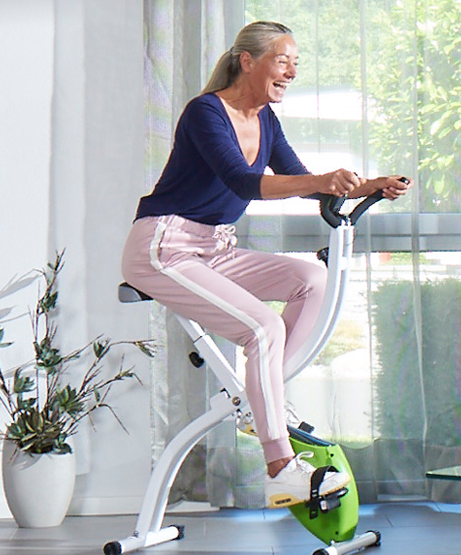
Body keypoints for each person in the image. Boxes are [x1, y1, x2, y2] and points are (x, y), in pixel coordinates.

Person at [122, 21, 410, 508]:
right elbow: (241, 181)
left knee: (313, 280)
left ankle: (262, 400)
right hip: (163, 246)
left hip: (215, 248)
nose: (292, 71)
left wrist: (366, 186)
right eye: (283, 60)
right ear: (247, 61)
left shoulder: (267, 121)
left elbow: (299, 178)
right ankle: (281, 468)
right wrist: (323, 179)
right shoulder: (205, 112)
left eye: (296, 63)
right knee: (261, 329)